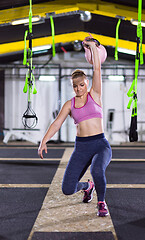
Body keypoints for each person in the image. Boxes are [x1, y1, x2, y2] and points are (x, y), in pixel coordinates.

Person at [38, 34, 112, 217]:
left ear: (86, 83)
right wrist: (43, 141)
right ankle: (88, 187)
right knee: (67, 189)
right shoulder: (69, 104)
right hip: (81, 148)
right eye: (75, 86)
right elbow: (57, 123)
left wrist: (93, 46)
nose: (78, 88)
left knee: (96, 169)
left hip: (100, 145)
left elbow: (96, 67)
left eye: (81, 84)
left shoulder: (95, 94)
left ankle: (101, 203)